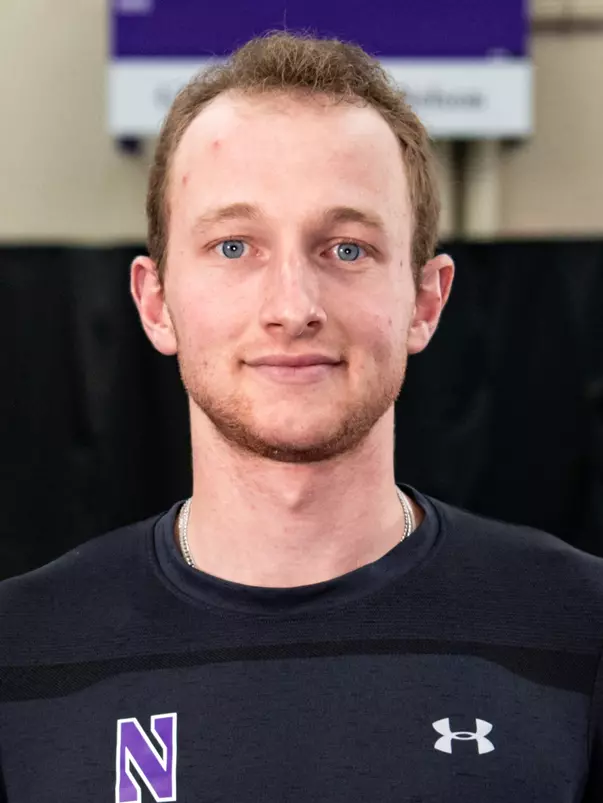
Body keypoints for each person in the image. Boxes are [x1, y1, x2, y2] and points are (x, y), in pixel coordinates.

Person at [1, 31, 602, 803]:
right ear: (155, 302)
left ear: (424, 301)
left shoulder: (578, 632)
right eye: (232, 245)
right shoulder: (21, 652)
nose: (291, 307)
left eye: (346, 249)